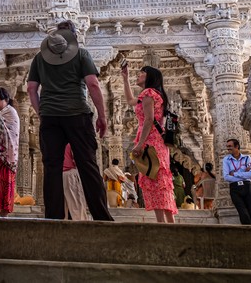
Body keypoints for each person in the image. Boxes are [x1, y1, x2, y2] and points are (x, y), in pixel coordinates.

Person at [27, 20, 113, 221]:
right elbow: (92, 84)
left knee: (52, 168)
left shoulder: (40, 58)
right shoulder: (82, 54)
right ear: (74, 36)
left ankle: (54, 218)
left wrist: (42, 112)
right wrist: (102, 115)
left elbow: (32, 88)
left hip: (49, 117)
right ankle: (102, 217)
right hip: (77, 115)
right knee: (87, 165)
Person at [120, 62, 177, 223]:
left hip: (151, 141)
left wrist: (139, 144)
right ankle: (168, 221)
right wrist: (125, 79)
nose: (138, 75)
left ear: (149, 76)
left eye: (141, 73)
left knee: (154, 177)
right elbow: (131, 101)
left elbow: (149, 120)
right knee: (160, 179)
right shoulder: (155, 94)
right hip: (159, 142)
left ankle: (162, 224)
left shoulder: (148, 93)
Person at [0, 87, 20, 217]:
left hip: (6, 156)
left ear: (3, 98)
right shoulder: (2, 113)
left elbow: (9, 134)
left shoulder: (10, 113)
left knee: (3, 183)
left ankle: (3, 213)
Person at [223, 138, 251, 224]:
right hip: (234, 188)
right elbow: (226, 177)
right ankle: (247, 232)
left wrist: (234, 174)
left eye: (230, 146)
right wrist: (243, 173)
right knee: (242, 212)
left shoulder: (246, 158)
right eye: (227, 146)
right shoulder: (226, 160)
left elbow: (250, 174)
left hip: (247, 186)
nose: (228, 148)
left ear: (237, 146)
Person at [62, 146, 91, 220]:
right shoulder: (70, 143)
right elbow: (78, 159)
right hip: (70, 173)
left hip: (58, 174)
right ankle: (81, 226)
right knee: (76, 204)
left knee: (62, 206)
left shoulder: (55, 141)